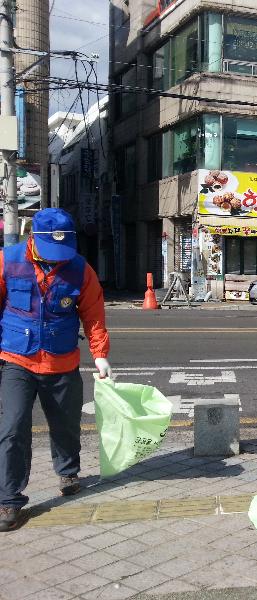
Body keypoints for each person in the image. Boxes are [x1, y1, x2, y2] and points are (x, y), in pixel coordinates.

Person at [0, 208, 111, 532]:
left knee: (66, 425)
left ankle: (68, 471)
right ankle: (9, 500)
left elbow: (93, 315)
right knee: (13, 428)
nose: (57, 258)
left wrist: (100, 354)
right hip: (17, 359)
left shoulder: (80, 269)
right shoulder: (8, 261)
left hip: (62, 360)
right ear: (33, 239)